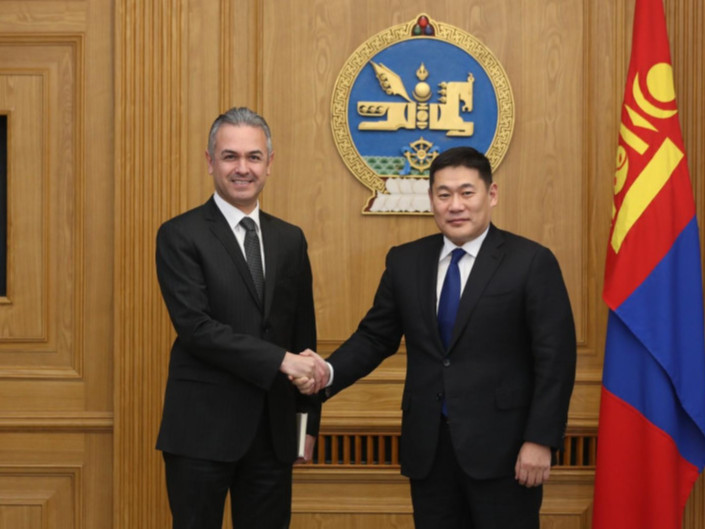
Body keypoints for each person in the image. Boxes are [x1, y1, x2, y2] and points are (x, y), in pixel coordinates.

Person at [297, 146, 576, 529]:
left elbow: (556, 359)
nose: (455, 205)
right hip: (429, 450)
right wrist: (327, 372)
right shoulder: (405, 261)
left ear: (491, 194)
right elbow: (375, 337)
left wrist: (540, 439)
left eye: (467, 192)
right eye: (444, 194)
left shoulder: (530, 262)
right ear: (431, 199)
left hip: (506, 451)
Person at [155, 107, 321, 529]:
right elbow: (197, 329)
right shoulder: (180, 234)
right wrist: (280, 360)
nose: (242, 168)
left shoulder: (290, 239)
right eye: (230, 156)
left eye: (253, 157)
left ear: (269, 163)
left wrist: (306, 424)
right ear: (210, 161)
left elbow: (303, 336)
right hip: (201, 432)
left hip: (274, 432)